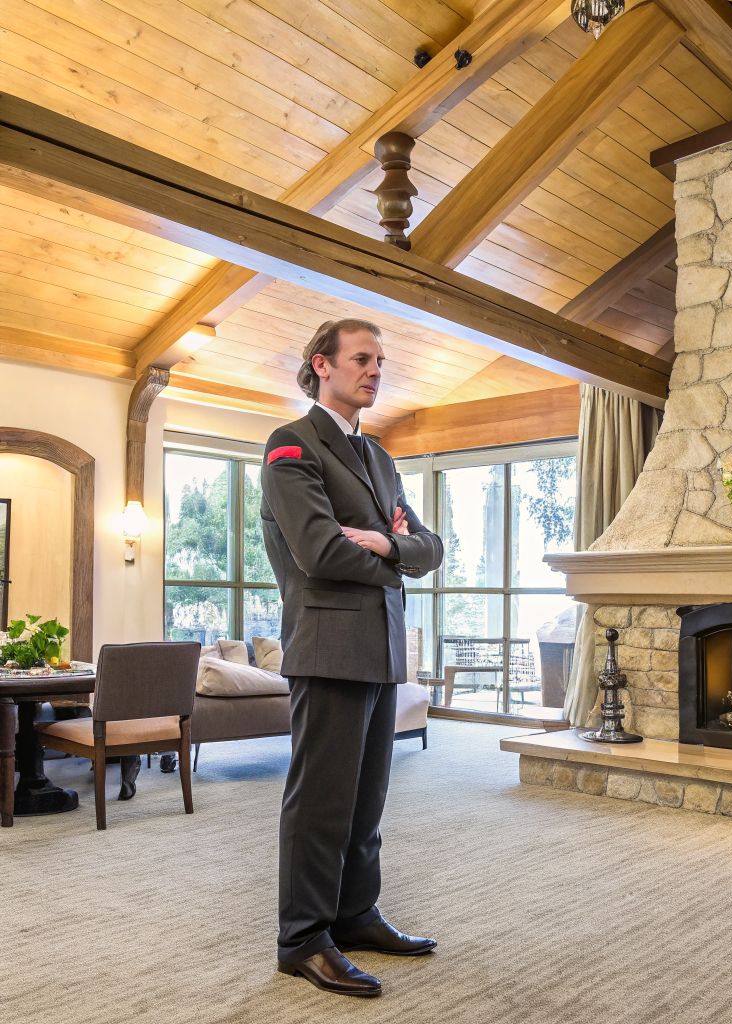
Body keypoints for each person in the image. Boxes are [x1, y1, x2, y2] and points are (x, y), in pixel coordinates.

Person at [261, 318, 444, 997]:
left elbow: (430, 548)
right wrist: (390, 551)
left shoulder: (381, 458)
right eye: (362, 359)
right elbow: (318, 551)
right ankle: (303, 939)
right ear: (323, 365)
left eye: (380, 361)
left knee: (367, 799)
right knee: (322, 801)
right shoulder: (292, 446)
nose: (375, 370)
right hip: (329, 646)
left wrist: (386, 545)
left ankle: (355, 913)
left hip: (380, 649)